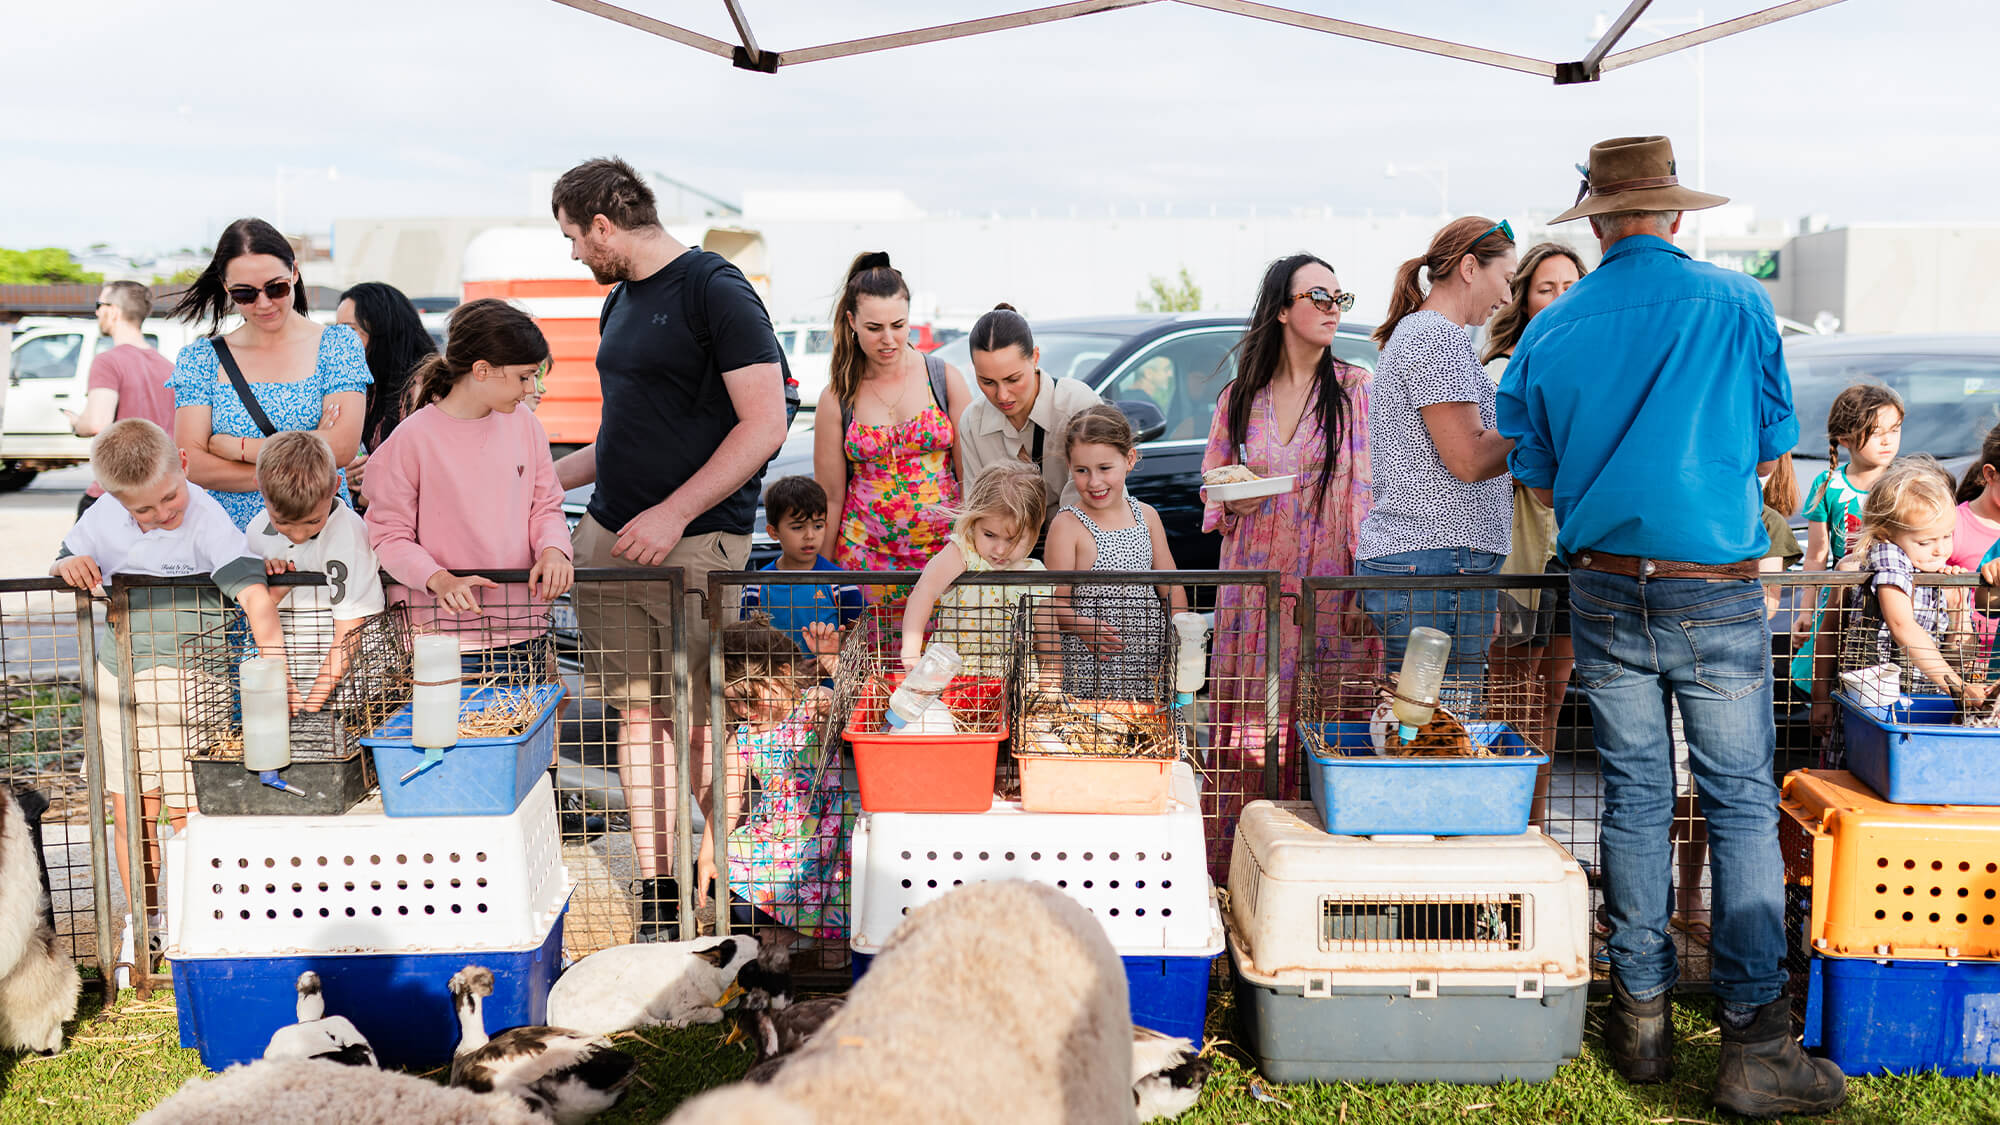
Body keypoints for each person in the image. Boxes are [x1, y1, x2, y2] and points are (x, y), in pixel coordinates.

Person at [1498, 135, 1844, 1116]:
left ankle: (1638, 1021)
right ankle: (1752, 1043)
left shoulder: (1552, 329)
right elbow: (1776, 448)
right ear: (1677, 216)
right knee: (1735, 798)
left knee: (1635, 793)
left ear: (1596, 223)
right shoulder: (1735, 304)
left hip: (1602, 583)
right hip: (1712, 581)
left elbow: (1529, 468)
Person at [549, 157, 789, 939]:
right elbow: (622, 431)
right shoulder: (617, 302)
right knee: (637, 714)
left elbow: (766, 425)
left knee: (701, 721)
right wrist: (542, 479)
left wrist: (672, 514)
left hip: (697, 542)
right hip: (611, 537)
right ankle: (659, 892)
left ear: (605, 226)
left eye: (575, 239)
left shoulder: (715, 289)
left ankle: (728, 871)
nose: (575, 255)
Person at [54, 419, 286, 952]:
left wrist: (275, 671)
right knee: (129, 807)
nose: (161, 515)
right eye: (143, 509)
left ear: (183, 463)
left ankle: (192, 917)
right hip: (118, 676)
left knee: (187, 810)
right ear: (114, 498)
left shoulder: (206, 517)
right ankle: (144, 922)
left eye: (168, 498)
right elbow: (64, 556)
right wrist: (70, 562)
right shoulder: (105, 515)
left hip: (189, 681)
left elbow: (252, 596)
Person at [1198, 253, 1374, 870]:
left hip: (1328, 588)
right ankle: (1234, 874)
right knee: (1249, 736)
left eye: (1337, 298)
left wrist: (1358, 588)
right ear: (1282, 310)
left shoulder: (1356, 389)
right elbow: (1214, 482)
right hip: (1255, 590)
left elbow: (1366, 491)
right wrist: (1232, 496)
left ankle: (1325, 874)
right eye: (1318, 297)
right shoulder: (1240, 397)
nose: (1332, 309)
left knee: (1327, 727)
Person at [363, 300, 573, 678]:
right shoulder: (412, 438)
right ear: (481, 370)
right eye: (524, 377)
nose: (532, 388)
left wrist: (555, 550)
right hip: (439, 637)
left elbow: (546, 505)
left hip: (523, 628)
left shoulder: (525, 425)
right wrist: (438, 578)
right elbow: (387, 535)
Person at [1359, 217, 1518, 705]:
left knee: (1427, 721)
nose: (1508, 299)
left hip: (1435, 558)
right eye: (1507, 280)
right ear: (1470, 267)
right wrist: (1538, 421)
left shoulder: (1433, 335)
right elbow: (1468, 459)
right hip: (1436, 556)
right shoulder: (1435, 337)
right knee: (1439, 724)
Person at [165, 218, 371, 530]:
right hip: (230, 542)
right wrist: (309, 449)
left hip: (318, 536)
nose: (263, 303)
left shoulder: (338, 345)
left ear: (295, 273)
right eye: (245, 293)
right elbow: (191, 463)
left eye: (276, 288)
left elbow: (341, 447)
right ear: (226, 287)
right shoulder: (200, 359)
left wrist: (239, 449)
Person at [1481, 242, 1588, 828]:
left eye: (1570, 287)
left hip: (1571, 553)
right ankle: (1504, 823)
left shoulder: (1601, 363)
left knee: (1550, 698)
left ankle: (1537, 824)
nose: (1558, 300)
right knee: (1510, 695)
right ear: (1522, 299)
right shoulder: (1503, 367)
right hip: (1517, 552)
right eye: (1545, 289)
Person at [813, 252, 969, 585]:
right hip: (863, 564)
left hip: (943, 564)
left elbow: (972, 482)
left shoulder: (944, 378)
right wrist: (821, 581)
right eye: (874, 328)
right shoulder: (837, 397)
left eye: (898, 325)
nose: (888, 339)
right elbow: (831, 497)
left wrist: (974, 554)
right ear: (852, 321)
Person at [694, 613, 848, 949]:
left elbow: (856, 713)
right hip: (775, 836)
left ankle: (802, 937)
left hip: (825, 832)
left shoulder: (815, 705)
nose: (744, 710)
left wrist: (834, 666)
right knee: (721, 868)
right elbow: (727, 800)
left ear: (782, 673)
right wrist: (708, 854)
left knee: (837, 880)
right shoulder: (745, 737)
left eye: (750, 698)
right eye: (734, 702)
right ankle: (780, 936)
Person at [1045, 405, 1184, 699]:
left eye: (1104, 468)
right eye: (1082, 471)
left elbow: (1170, 586)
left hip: (1150, 665)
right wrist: (1080, 624)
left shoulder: (1146, 516)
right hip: (1092, 669)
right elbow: (1053, 605)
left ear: (1129, 459)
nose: (1094, 482)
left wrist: (1181, 637)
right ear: (1069, 467)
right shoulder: (1067, 525)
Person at [248, 431, 386, 708]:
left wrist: (311, 706)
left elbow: (351, 629)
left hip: (347, 688)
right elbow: (256, 609)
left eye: (312, 522)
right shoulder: (254, 531)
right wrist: (268, 590)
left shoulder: (347, 536)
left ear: (336, 486)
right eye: (283, 523)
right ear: (259, 488)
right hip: (289, 679)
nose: (298, 535)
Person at [1790, 384, 1905, 693]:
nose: (1887, 440)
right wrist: (1805, 610)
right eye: (1875, 431)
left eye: (1894, 430)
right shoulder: (1828, 483)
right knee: (1829, 678)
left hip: (1893, 598)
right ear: (1844, 438)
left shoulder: (1906, 482)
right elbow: (1816, 555)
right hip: (1840, 604)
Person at [900, 463, 1051, 677]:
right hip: (954, 677)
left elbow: (1046, 636)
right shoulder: (964, 553)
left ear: (1036, 528)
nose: (999, 550)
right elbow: (925, 591)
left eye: (1012, 540)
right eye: (989, 535)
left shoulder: (1036, 575)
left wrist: (1051, 684)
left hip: (1012, 682)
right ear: (974, 522)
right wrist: (911, 651)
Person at [957, 303, 1103, 517]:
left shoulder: (1077, 405)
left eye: (1013, 379)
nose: (1002, 395)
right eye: (987, 382)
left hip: (1083, 541)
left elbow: (1101, 504)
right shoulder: (972, 421)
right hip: (1007, 548)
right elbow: (978, 513)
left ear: (1035, 358)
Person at [66, 281, 176, 519]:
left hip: (113, 493)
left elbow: (97, 423)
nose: (96, 312)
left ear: (113, 310)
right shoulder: (168, 367)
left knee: (74, 557)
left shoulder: (108, 362)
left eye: (99, 305)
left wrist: (76, 423)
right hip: (156, 494)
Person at [333, 282, 437, 508]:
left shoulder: (425, 388)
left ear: (384, 330)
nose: (339, 341)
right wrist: (341, 475)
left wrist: (367, 489)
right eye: (337, 330)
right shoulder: (353, 385)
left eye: (350, 330)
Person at [739, 475, 863, 661]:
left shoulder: (842, 583)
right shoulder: (755, 587)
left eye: (818, 526)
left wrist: (829, 662)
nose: (810, 535)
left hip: (830, 687)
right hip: (774, 686)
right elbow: (747, 641)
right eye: (798, 527)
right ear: (773, 532)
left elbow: (859, 633)